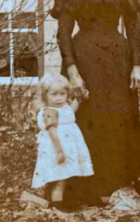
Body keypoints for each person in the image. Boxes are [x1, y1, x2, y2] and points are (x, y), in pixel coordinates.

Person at [50, 0, 140, 206]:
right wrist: (72, 71)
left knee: (117, 119)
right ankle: (85, 192)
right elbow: (64, 33)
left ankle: (116, 187)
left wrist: (137, 65)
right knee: (87, 122)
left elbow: (135, 31)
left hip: (119, 62)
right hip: (85, 60)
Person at [32, 74, 94, 211]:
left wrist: (79, 99)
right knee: (59, 180)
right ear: (45, 95)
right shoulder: (49, 112)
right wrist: (60, 152)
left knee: (65, 178)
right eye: (54, 94)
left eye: (62, 94)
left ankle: (63, 204)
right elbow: (53, 133)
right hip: (58, 149)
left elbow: (71, 111)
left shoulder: (64, 107)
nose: (59, 98)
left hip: (69, 147)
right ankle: (57, 208)